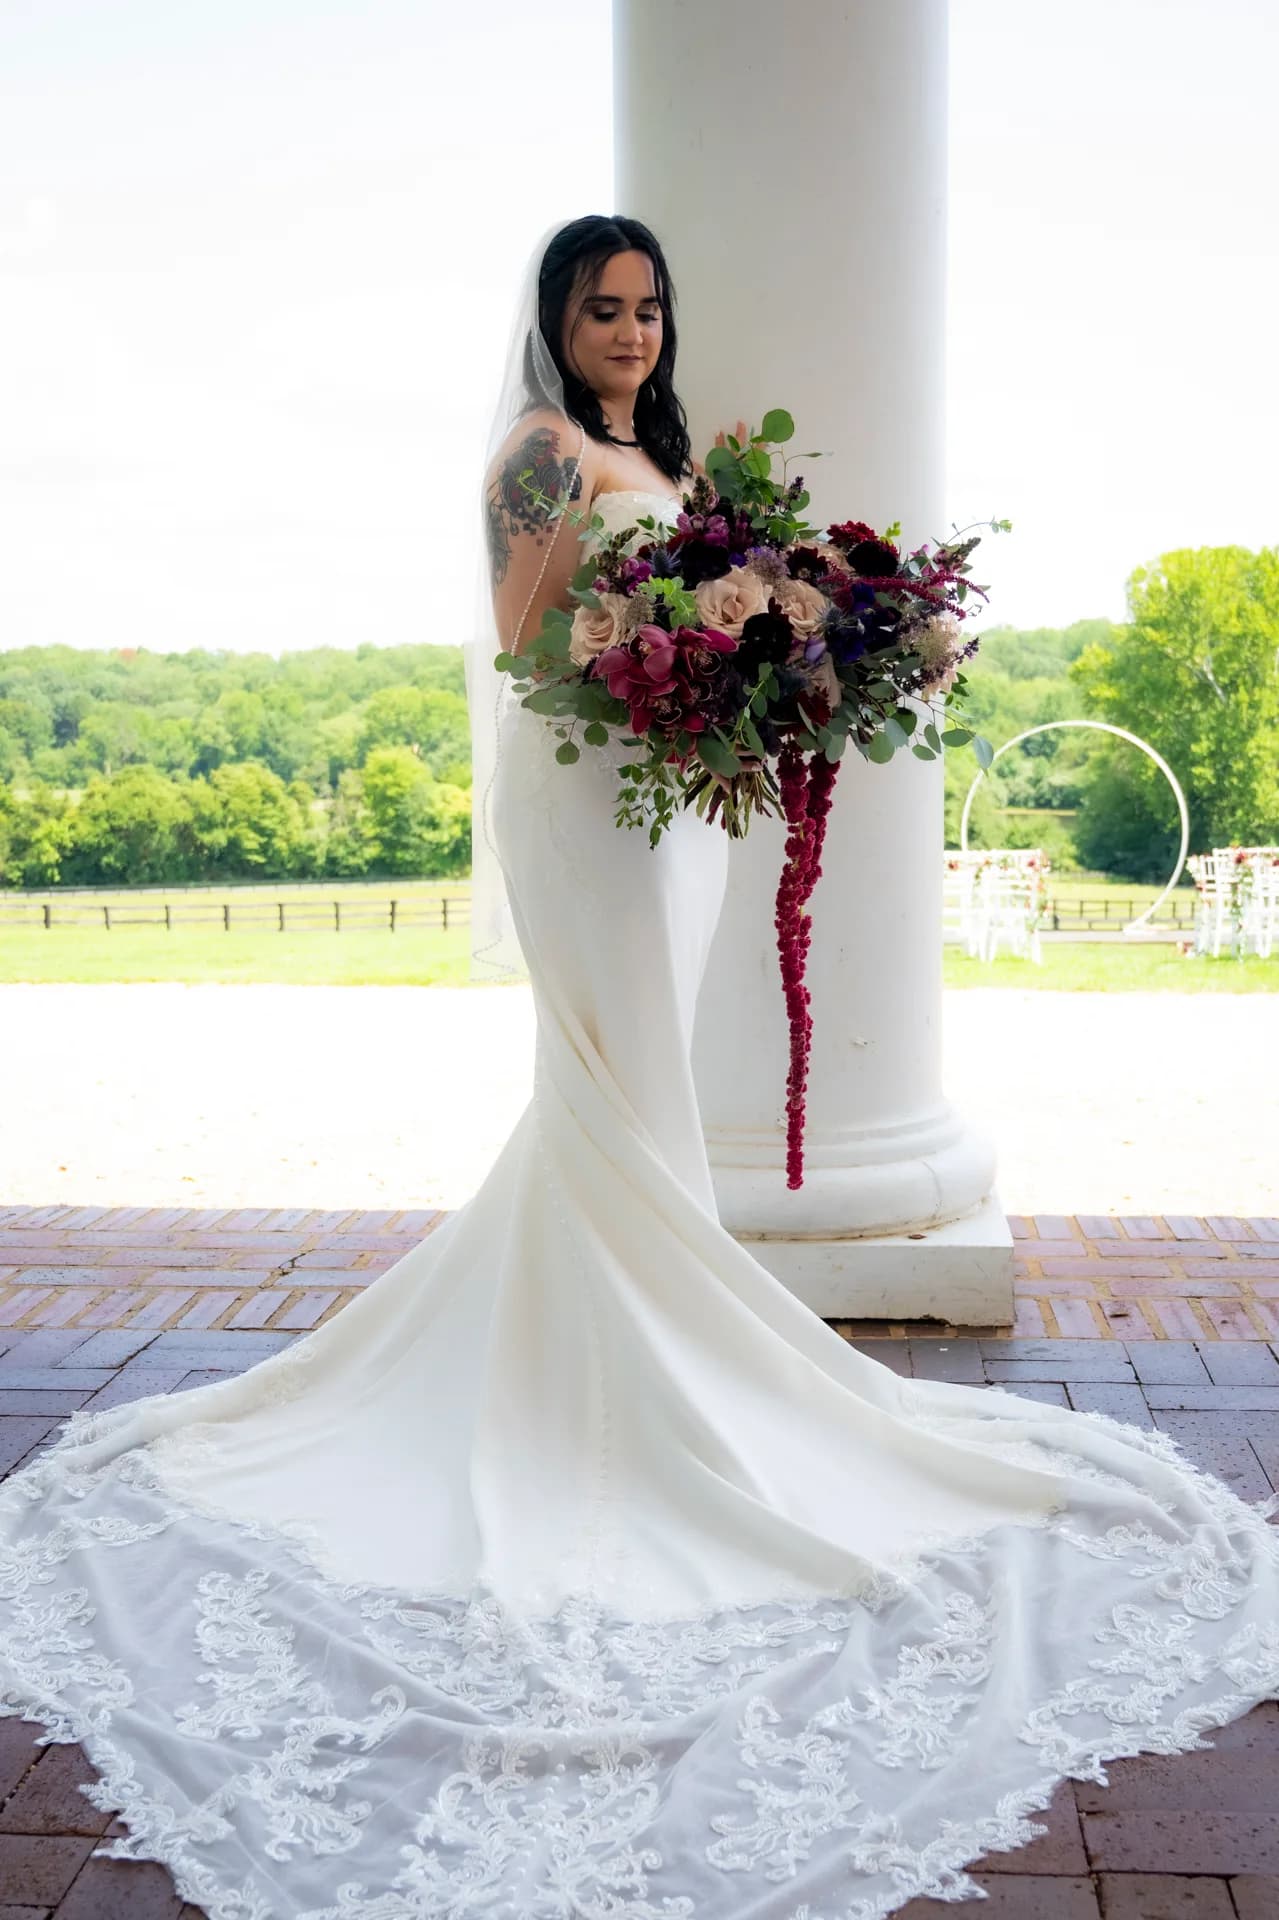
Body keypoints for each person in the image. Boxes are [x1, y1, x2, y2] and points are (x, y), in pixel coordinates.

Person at [0, 214, 1276, 1920]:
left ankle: (636, 1345)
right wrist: (658, 622)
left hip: (668, 808)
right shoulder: (538, 453)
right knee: (607, 1085)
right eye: (603, 307)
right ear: (556, 321)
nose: (631, 330)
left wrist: (765, 650)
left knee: (630, 1094)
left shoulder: (658, 452)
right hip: (586, 795)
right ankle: (643, 1377)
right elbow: (526, 641)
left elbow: (670, 608)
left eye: (649, 306)